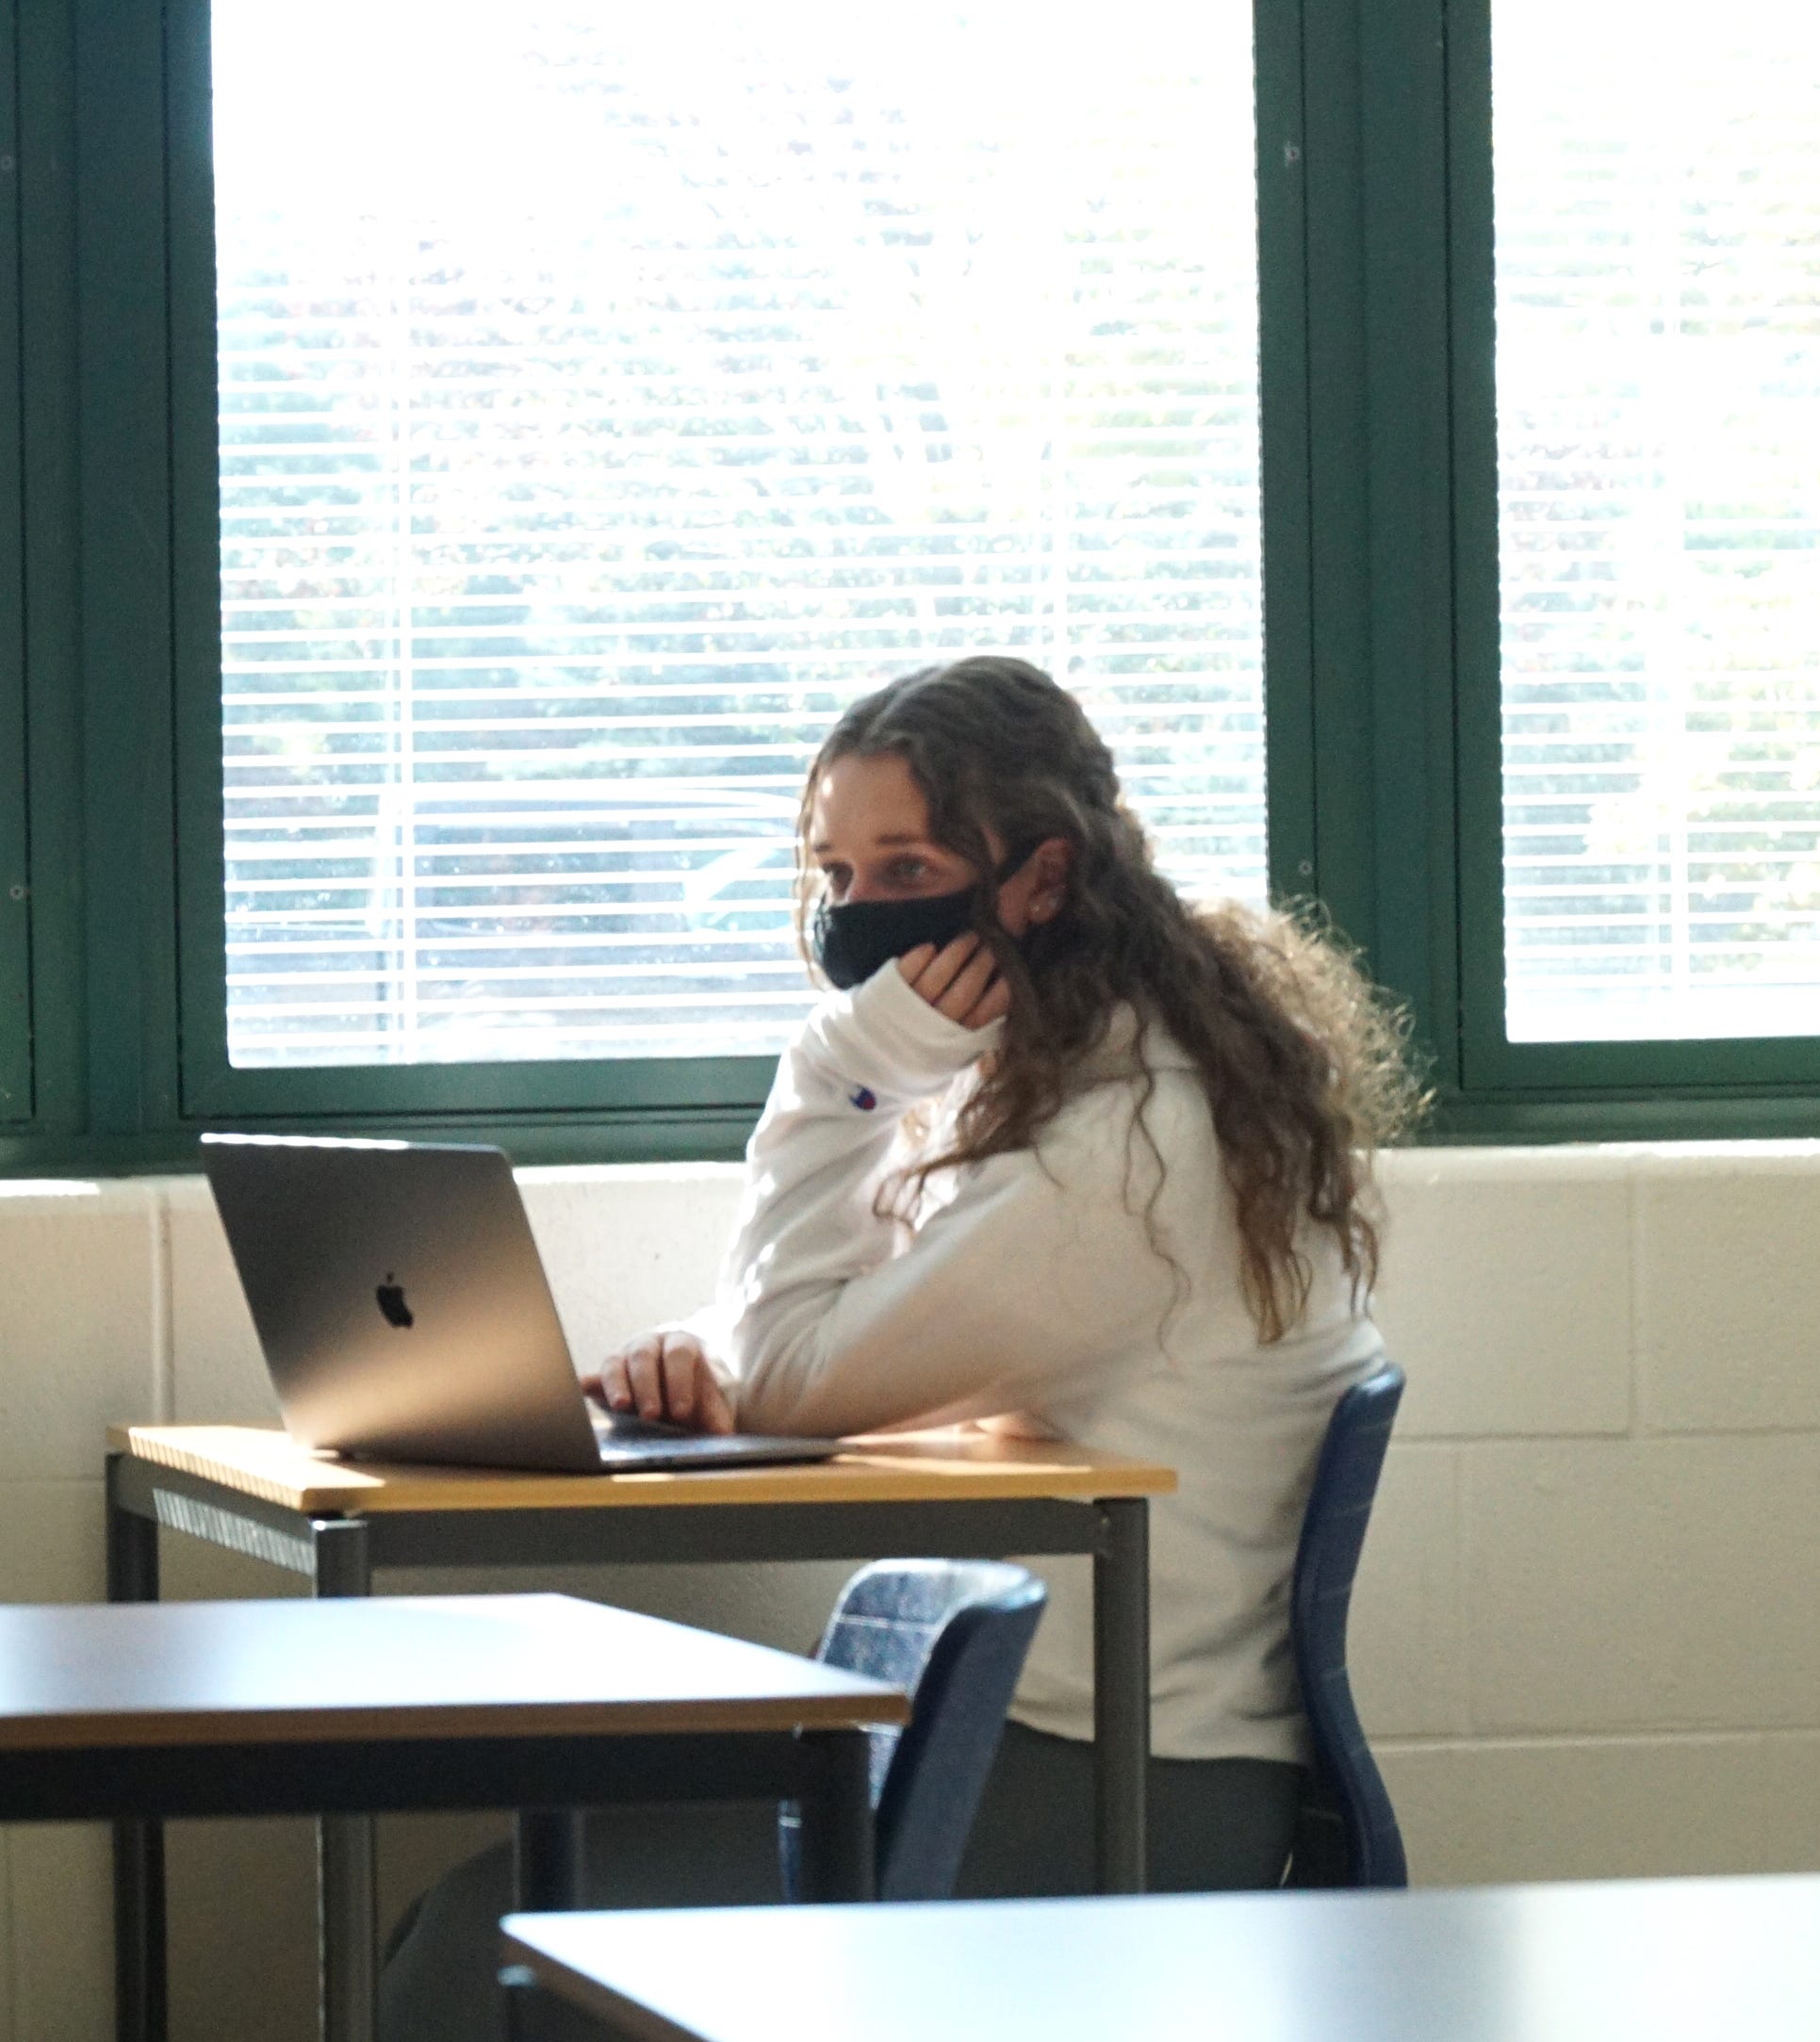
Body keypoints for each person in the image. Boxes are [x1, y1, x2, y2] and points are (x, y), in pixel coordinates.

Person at [383, 657, 1418, 2036]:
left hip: (1114, 1781)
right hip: (1029, 1737)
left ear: (1041, 879)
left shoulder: (1125, 1146)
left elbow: (802, 1373)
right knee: (469, 1923)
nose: (860, 910)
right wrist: (710, 1348)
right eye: (836, 873)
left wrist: (840, 1068)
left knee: (477, 1945)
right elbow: (863, 1318)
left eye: (908, 866)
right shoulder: (1073, 1074)